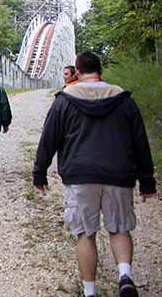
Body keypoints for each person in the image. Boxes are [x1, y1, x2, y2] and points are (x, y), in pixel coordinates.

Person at [33, 51, 157, 297]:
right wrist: (147, 180)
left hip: (80, 176)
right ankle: (125, 275)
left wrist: (40, 174)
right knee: (120, 229)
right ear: (101, 69)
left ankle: (90, 292)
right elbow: (140, 142)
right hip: (119, 175)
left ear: (76, 72)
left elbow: (49, 139)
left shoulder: (64, 100)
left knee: (85, 233)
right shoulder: (124, 100)